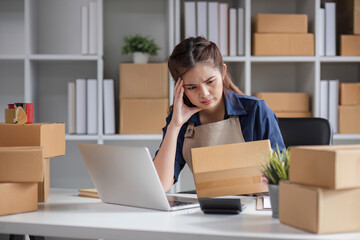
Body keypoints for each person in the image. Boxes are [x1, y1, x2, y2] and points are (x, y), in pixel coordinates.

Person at [153, 37, 285, 192]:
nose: (204, 93)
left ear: (223, 71)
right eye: (192, 87)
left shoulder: (255, 111)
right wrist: (174, 126)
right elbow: (159, 185)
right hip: (209, 210)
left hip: (255, 208)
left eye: (210, 82)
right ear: (180, 88)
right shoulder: (180, 121)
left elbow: (282, 177)